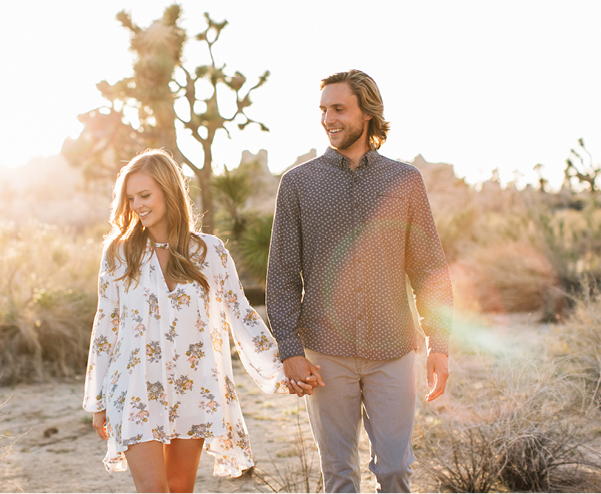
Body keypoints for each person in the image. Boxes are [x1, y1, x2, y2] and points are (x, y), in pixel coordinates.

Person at [266, 70, 453, 493]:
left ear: (366, 113)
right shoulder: (297, 183)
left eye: (338, 109)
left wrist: (439, 343)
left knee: (394, 470)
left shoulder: (405, 181)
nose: (328, 119)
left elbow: (429, 269)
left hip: (393, 350)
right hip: (325, 355)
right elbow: (280, 275)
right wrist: (290, 351)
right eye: (323, 110)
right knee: (339, 476)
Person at [83, 148, 304, 493]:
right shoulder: (119, 254)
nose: (138, 205)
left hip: (194, 386)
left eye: (145, 195)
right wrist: (97, 402)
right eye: (131, 198)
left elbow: (241, 313)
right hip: (136, 386)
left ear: (168, 192)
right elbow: (105, 326)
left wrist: (283, 364)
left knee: (180, 489)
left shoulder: (209, 252)